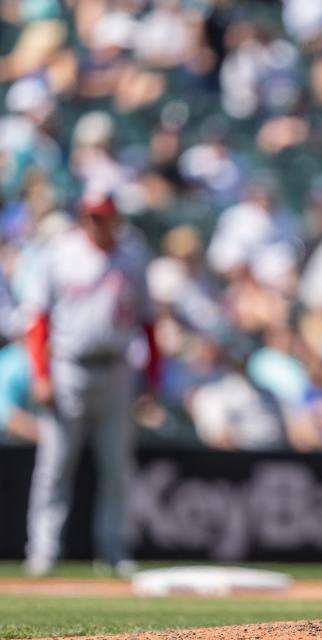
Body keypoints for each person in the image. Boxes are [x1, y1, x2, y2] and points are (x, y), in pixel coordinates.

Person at [22, 193, 159, 577]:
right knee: (55, 465)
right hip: (69, 368)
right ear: (84, 218)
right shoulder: (60, 254)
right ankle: (44, 551)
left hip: (117, 369)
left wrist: (152, 381)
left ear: (116, 218)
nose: (100, 223)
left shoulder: (133, 257)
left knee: (116, 467)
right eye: (94, 216)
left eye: (106, 217)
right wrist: (42, 374)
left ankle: (114, 551)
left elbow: (148, 324)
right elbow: (38, 321)